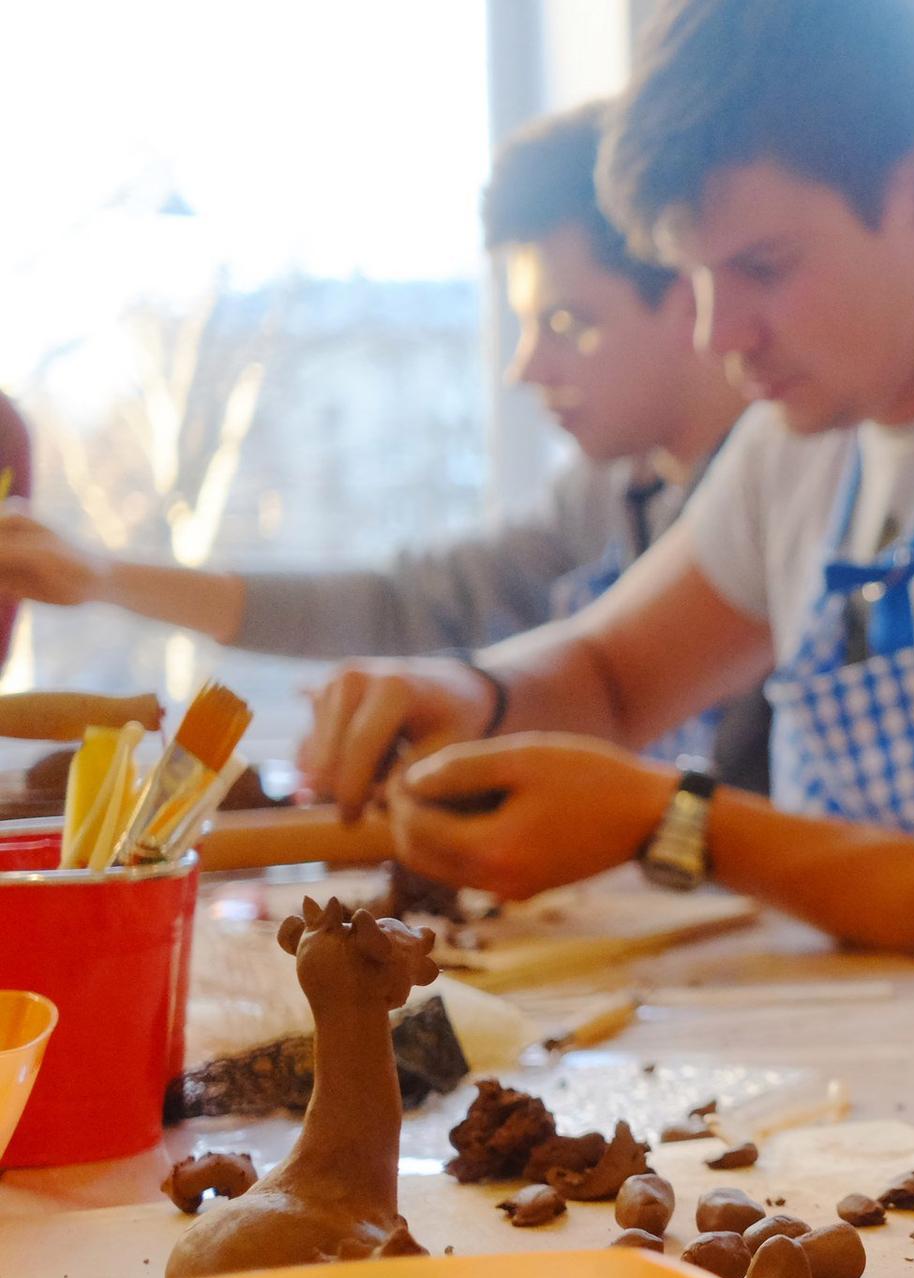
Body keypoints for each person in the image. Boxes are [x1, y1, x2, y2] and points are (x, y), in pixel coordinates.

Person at [299, 0, 914, 1007]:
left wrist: (674, 822)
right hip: (896, 1077)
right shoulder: (813, 436)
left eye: (761, 267)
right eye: (697, 278)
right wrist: (468, 692)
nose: (723, 333)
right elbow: (614, 676)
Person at [0, 103, 769, 789]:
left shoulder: (790, 480)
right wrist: (101, 575)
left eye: (568, 325)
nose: (525, 367)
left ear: (688, 290)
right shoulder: (602, 498)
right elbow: (403, 606)